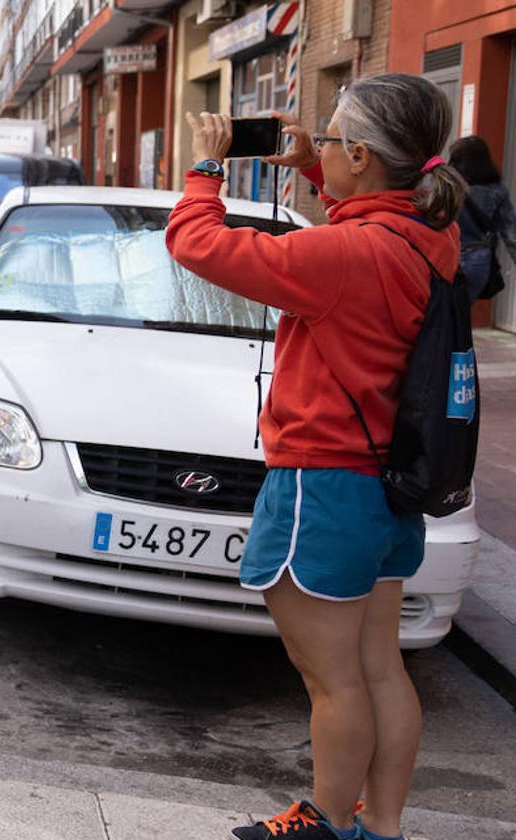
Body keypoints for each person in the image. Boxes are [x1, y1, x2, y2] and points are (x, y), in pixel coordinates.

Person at [165, 74, 466, 840]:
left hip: (322, 487)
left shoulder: (341, 256)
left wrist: (206, 168)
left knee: (332, 683)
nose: (321, 146)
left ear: (363, 156)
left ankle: (326, 822)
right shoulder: (431, 236)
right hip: (385, 488)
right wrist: (312, 166)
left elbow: (194, 244)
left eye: (332, 140)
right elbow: (368, 218)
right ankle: (382, 827)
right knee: (379, 671)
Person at [449, 135, 516, 302]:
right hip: (478, 262)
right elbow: (511, 235)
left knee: (444, 314)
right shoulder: (498, 190)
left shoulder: (447, 187)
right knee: (461, 313)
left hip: (446, 257)